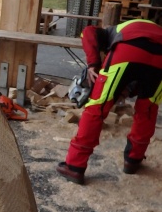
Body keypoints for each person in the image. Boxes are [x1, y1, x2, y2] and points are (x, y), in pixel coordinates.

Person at [57, 18, 162, 184]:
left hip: (128, 50)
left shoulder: (109, 32)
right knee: (148, 109)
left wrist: (93, 64)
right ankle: (133, 160)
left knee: (97, 108)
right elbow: (142, 70)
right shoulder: (150, 29)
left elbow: (88, 32)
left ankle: (74, 166)